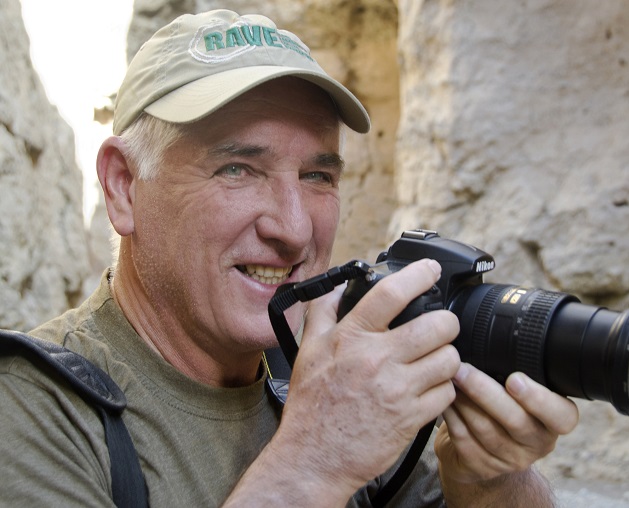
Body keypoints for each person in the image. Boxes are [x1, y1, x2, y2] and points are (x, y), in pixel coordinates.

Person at [0, 8, 578, 507]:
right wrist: (315, 462)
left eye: (318, 175)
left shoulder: (330, 378)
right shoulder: (32, 415)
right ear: (124, 187)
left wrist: (492, 480)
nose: (295, 229)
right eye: (237, 169)